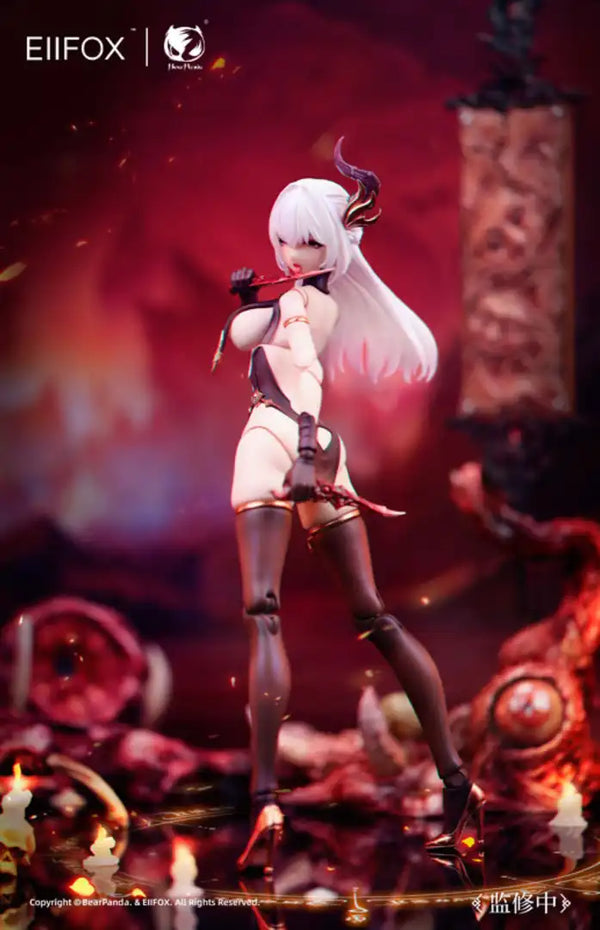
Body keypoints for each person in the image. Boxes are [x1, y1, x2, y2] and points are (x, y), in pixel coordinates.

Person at [217, 139, 484, 872]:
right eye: (284, 239)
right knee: (374, 617)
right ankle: (459, 786)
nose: (291, 252)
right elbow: (248, 336)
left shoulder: (309, 305)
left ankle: (264, 800)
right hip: (318, 444)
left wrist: (304, 453)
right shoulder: (302, 300)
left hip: (279, 440)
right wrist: (248, 302)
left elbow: (301, 374)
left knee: (264, 613)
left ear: (332, 246)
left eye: (306, 241)